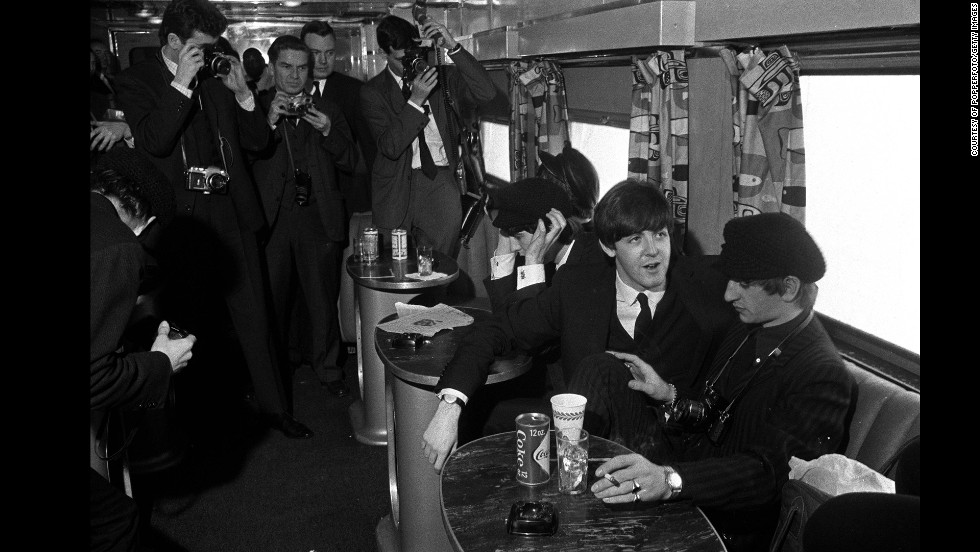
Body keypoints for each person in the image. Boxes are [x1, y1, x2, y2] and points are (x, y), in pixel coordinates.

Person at [586, 212, 857, 552]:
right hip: (686, 468)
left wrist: (669, 479)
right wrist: (668, 394)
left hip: (726, 519)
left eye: (743, 284)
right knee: (602, 368)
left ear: (788, 288)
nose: (728, 294)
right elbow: (715, 409)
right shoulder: (748, 326)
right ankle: (569, 487)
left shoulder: (822, 374)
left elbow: (768, 476)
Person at [422, 181, 735, 470]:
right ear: (609, 247)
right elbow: (498, 329)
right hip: (594, 445)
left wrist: (670, 395)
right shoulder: (579, 288)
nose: (653, 250)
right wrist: (450, 405)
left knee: (598, 370)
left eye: (660, 234)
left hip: (673, 458)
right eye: (636, 239)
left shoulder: (711, 290)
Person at [113, 0, 313, 439]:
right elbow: (154, 141)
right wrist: (181, 83)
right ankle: (197, 424)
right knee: (189, 325)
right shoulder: (137, 81)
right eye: (200, 48)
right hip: (182, 222)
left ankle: (276, 410)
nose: (209, 55)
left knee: (255, 319)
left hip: (230, 212)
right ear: (173, 42)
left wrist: (243, 94)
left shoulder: (218, 78)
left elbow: (259, 142)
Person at [90, 148, 196, 552]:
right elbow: (94, 378)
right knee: (116, 522)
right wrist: (161, 364)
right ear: (146, 223)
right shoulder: (119, 248)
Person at [249, 34, 356, 398]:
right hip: (273, 219)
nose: (294, 76)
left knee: (322, 301)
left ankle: (328, 370)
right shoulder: (255, 107)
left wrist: (327, 129)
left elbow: (351, 160)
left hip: (317, 217)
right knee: (273, 300)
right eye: (286, 67)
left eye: (301, 68)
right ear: (272, 67)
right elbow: (242, 161)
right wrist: (268, 121)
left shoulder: (328, 108)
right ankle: (277, 369)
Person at [360, 14, 496, 256]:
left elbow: (486, 93)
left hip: (439, 180)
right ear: (384, 55)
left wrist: (452, 47)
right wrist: (415, 101)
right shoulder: (372, 92)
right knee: (395, 266)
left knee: (439, 266)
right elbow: (390, 147)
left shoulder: (442, 78)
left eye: (415, 54)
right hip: (395, 185)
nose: (412, 63)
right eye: (402, 59)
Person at [302, 19, 377, 221]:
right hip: (303, 198)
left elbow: (369, 150)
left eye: (329, 53)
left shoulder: (354, 90)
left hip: (345, 198)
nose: (323, 61)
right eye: (315, 53)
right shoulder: (291, 88)